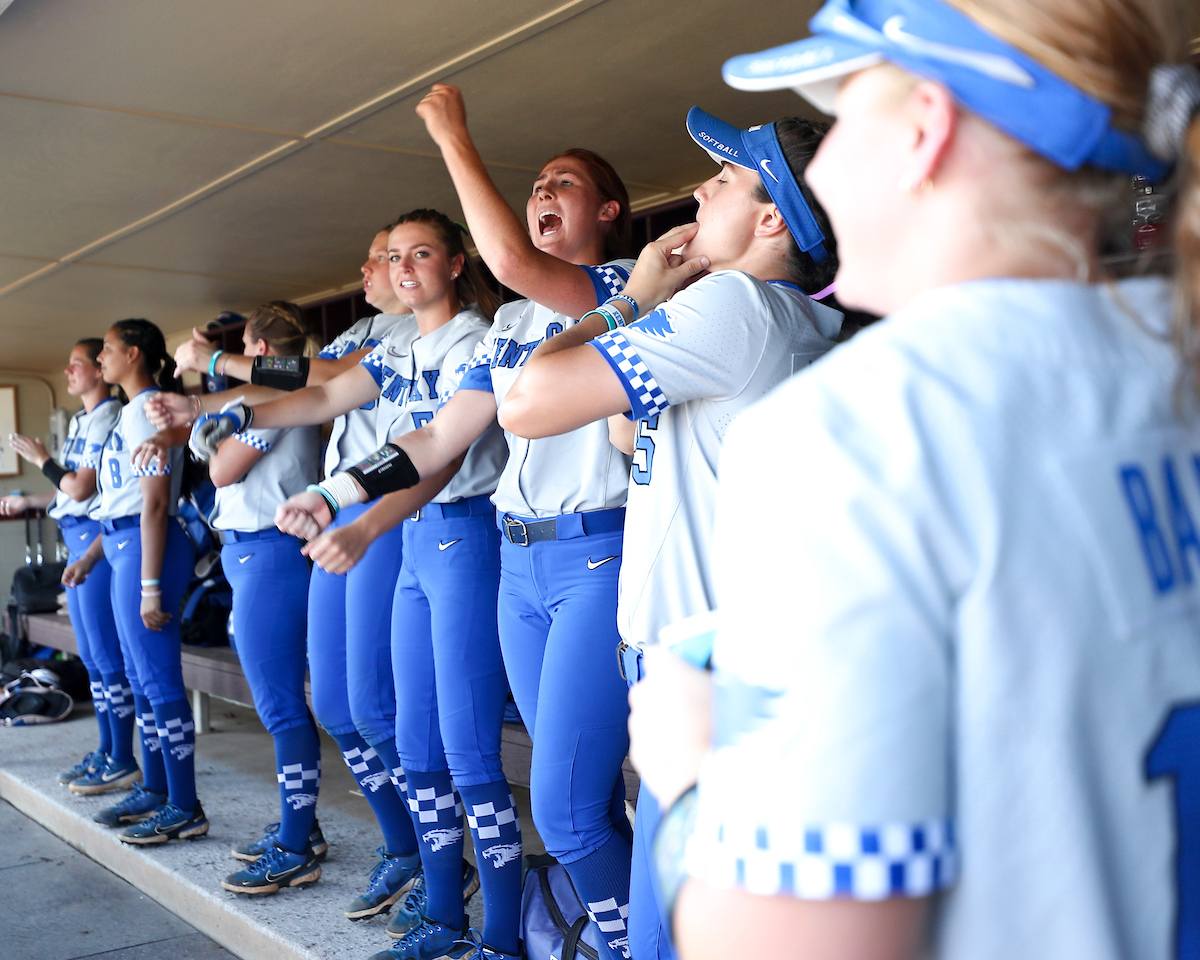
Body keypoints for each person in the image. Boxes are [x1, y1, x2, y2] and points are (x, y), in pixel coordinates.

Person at [626, 1, 1200, 958]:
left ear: (925, 131)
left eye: (847, 114)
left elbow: (798, 945)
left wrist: (689, 774)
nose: (830, 166)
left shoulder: (854, 430)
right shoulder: (1171, 362)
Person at [281, 84, 642, 960]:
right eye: (538, 185)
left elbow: (515, 263)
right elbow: (442, 434)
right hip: (519, 566)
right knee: (563, 801)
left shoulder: (629, 285)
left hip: (597, 552)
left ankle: (630, 941)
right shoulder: (510, 325)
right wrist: (338, 497)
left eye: (565, 183)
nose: (545, 193)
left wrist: (451, 137)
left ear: (609, 210)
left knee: (569, 803)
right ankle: (527, 935)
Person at [497, 106, 842, 960]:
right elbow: (626, 435)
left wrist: (637, 298)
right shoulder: (791, 316)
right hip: (740, 668)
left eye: (723, 180)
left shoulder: (736, 306)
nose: (699, 187)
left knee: (665, 937)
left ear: (771, 221)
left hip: (708, 676)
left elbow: (528, 402)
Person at [201, 209, 508, 958]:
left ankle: (489, 920)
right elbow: (324, 393)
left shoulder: (470, 337)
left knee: (454, 745)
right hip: (381, 516)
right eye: (384, 257)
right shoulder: (393, 341)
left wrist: (230, 376)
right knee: (381, 722)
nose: (387, 270)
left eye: (409, 255)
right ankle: (436, 891)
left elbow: (416, 437)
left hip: (435, 520)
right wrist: (215, 403)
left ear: (458, 261)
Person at [149, 226, 434, 921]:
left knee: (358, 710)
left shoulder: (409, 335)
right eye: (380, 256)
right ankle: (393, 846)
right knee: (338, 708)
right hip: (313, 528)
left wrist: (213, 364)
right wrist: (199, 405)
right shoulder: (363, 334)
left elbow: (304, 386)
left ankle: (412, 852)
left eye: (396, 255)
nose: (373, 268)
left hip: (387, 516)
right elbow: (304, 383)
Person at [184, 303, 327, 895]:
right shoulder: (265, 392)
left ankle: (297, 846)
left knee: (280, 706)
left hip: (271, 549)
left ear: (262, 351)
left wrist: (208, 430)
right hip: (254, 551)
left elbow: (220, 468)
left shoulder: (271, 395)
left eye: (247, 346)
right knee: (279, 701)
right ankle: (303, 826)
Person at [61, 319, 205, 844]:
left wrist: (148, 586)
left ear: (135, 354)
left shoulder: (152, 407)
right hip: (122, 545)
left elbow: (156, 501)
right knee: (142, 680)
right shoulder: (126, 412)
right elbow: (120, 505)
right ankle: (158, 788)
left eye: (108, 350)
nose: (101, 359)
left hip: (149, 549)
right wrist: (93, 556)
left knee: (159, 681)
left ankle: (185, 804)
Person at [1, 339, 134, 794]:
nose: (69, 370)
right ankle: (106, 749)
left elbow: (80, 489)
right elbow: (66, 494)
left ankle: (122, 757)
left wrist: (42, 460)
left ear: (100, 369)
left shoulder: (110, 414)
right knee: (92, 660)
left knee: (107, 658)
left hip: (97, 544)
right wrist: (28, 500)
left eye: (78, 364)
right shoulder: (81, 419)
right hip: (76, 539)